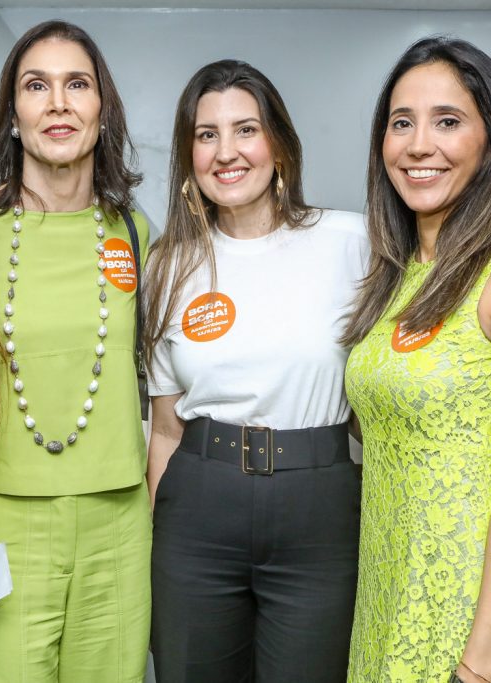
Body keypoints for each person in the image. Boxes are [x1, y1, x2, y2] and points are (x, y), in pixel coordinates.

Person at [342, 37, 491, 683]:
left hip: (473, 629)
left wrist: (479, 665)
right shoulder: (396, 276)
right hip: (386, 604)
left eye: (448, 120)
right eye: (402, 122)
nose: (420, 144)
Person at [144, 59, 369, 683]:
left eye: (246, 129)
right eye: (206, 134)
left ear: (280, 144)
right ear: (189, 154)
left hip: (318, 505)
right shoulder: (168, 263)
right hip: (198, 506)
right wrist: (164, 528)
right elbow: (164, 428)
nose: (226, 151)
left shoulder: (352, 242)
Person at [0, 20, 150, 683]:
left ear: (103, 111)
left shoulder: (136, 233)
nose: (57, 103)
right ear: (13, 115)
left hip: (119, 518)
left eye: (78, 84)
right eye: (36, 85)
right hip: (0, 511)